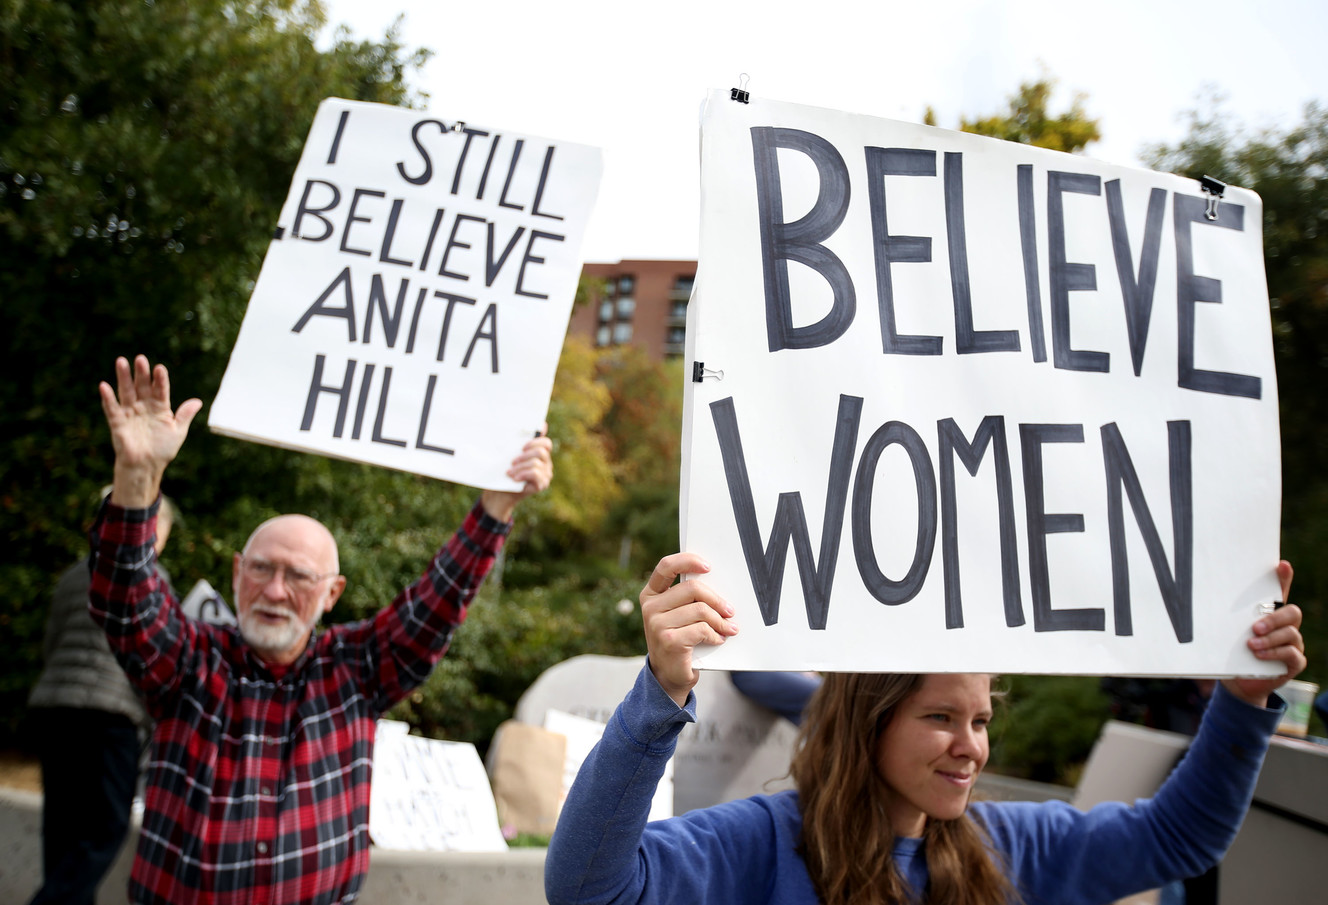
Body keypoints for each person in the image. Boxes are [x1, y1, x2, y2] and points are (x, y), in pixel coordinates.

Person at [545, 553, 1305, 905]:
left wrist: (1239, 702)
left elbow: (1181, 839)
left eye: (979, 719)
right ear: (866, 723)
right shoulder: (763, 843)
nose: (971, 746)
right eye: (940, 718)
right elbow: (586, 891)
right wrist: (660, 693)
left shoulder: (1010, 846)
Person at [88, 354, 552, 905]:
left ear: (332, 593)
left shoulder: (355, 670)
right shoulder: (190, 659)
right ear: (238, 573)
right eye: (261, 569)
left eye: (299, 576)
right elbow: (125, 597)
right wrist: (138, 477)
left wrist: (496, 507)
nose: (276, 590)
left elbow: (437, 603)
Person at [25, 494, 175, 905]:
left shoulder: (75, 574)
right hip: (112, 717)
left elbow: (52, 641)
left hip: (56, 707)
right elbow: (156, 662)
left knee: (61, 825)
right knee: (107, 827)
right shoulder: (154, 581)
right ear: (153, 530)